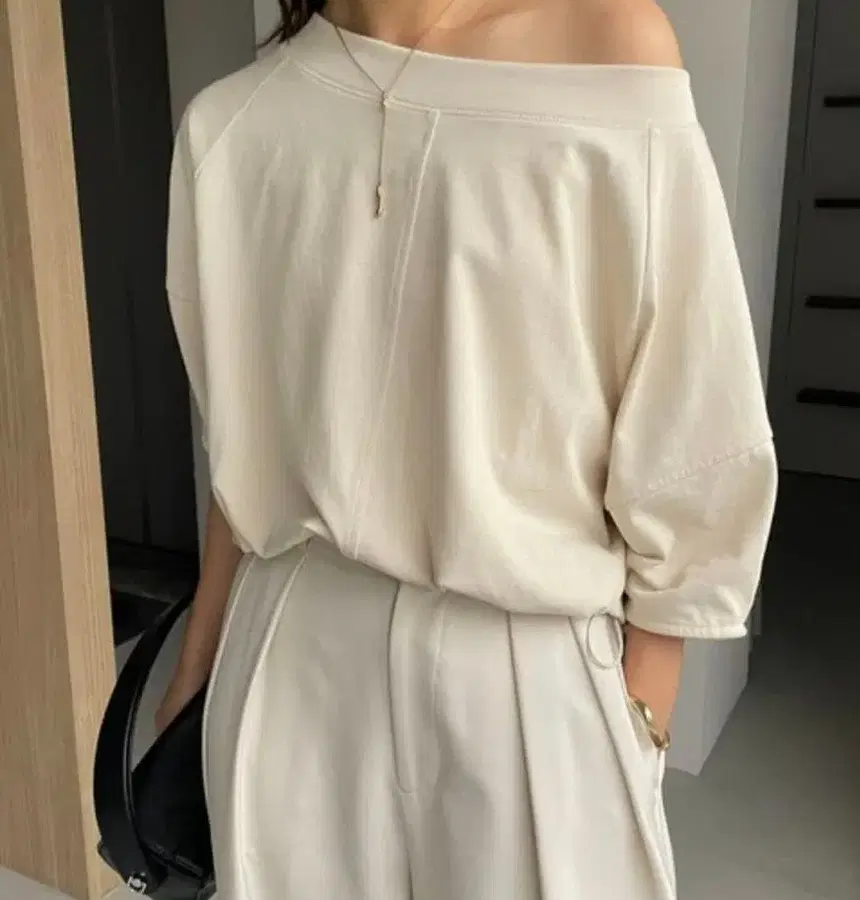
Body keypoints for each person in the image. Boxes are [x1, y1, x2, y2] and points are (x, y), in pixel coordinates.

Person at [157, 0, 778, 896]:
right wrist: (195, 669)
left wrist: (644, 714)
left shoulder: (611, 48)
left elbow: (691, 409)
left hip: (528, 666)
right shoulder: (232, 125)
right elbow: (244, 456)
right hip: (292, 652)